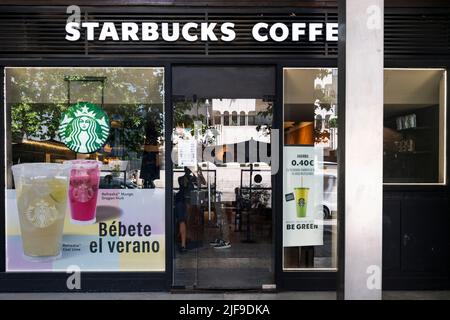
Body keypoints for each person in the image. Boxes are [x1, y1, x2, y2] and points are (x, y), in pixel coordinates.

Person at [174, 166, 206, 253]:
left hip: (187, 201)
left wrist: (199, 173)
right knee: (183, 221)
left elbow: (203, 182)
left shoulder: (191, 178)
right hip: (184, 201)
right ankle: (183, 243)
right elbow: (200, 183)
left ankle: (185, 242)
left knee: (185, 221)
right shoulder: (182, 178)